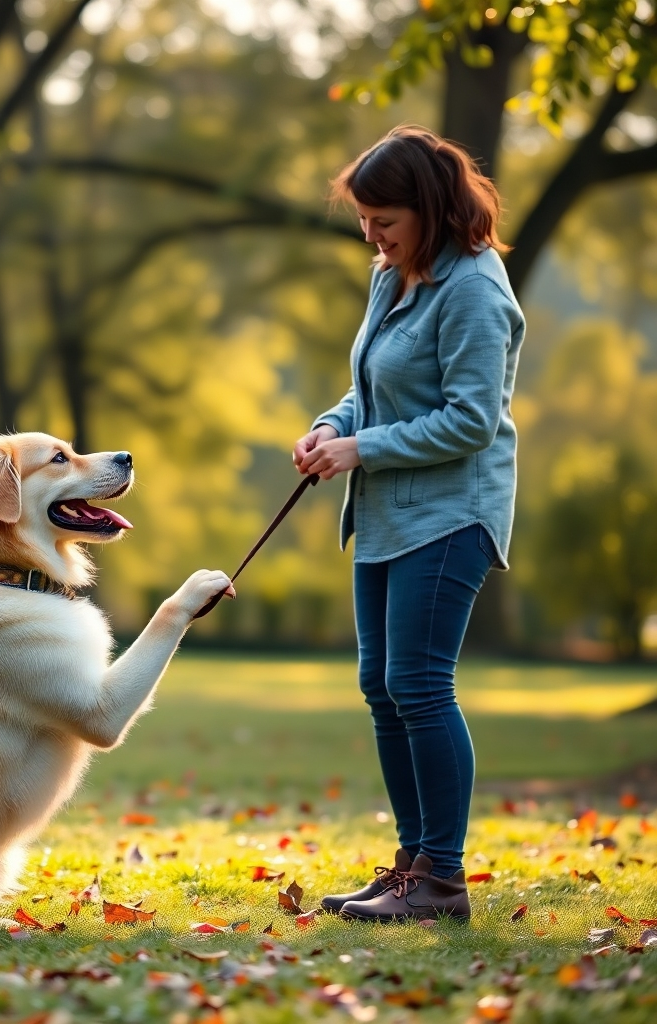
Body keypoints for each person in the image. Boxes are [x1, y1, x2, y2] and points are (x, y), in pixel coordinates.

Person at [293, 125, 524, 922]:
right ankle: (410, 868)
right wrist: (332, 427)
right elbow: (371, 386)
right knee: (381, 688)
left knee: (419, 684)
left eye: (383, 221)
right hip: (390, 507)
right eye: (365, 221)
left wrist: (361, 449)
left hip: (453, 509)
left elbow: (471, 419)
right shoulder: (394, 275)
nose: (371, 236)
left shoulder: (475, 291)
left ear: (427, 208)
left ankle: (444, 879)